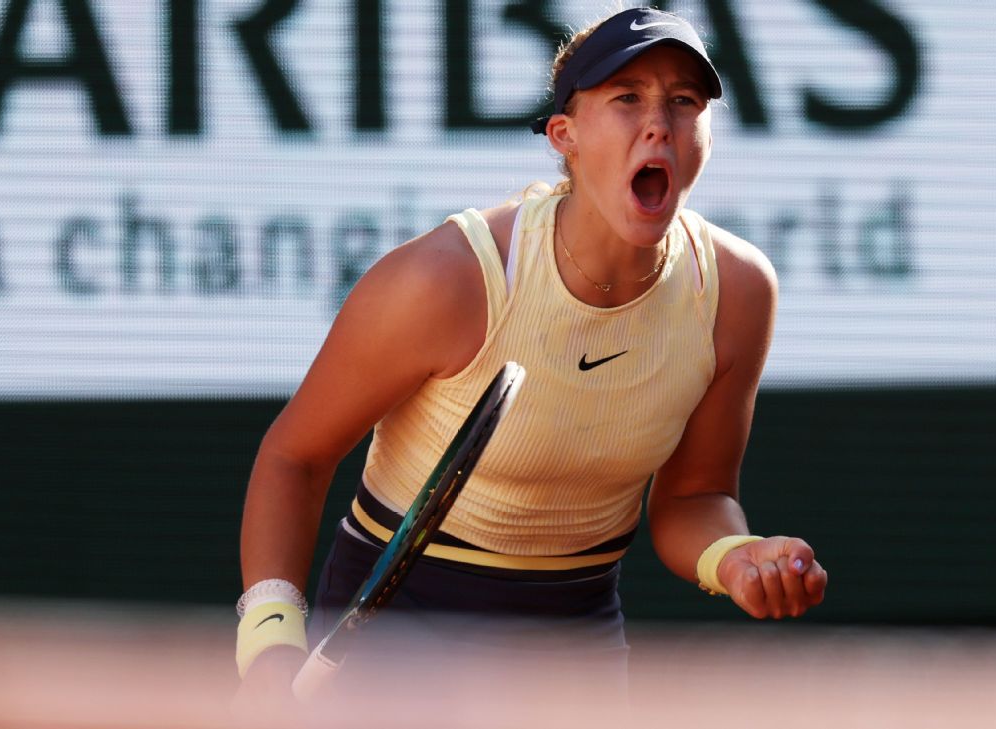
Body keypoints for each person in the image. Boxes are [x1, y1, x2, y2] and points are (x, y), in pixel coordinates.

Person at [233, 5, 828, 704]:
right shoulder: (448, 280)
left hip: (572, 643)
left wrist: (736, 557)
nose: (659, 123)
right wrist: (270, 648)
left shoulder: (736, 290)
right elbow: (293, 457)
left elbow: (695, 496)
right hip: (397, 634)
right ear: (564, 136)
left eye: (684, 101)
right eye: (626, 98)